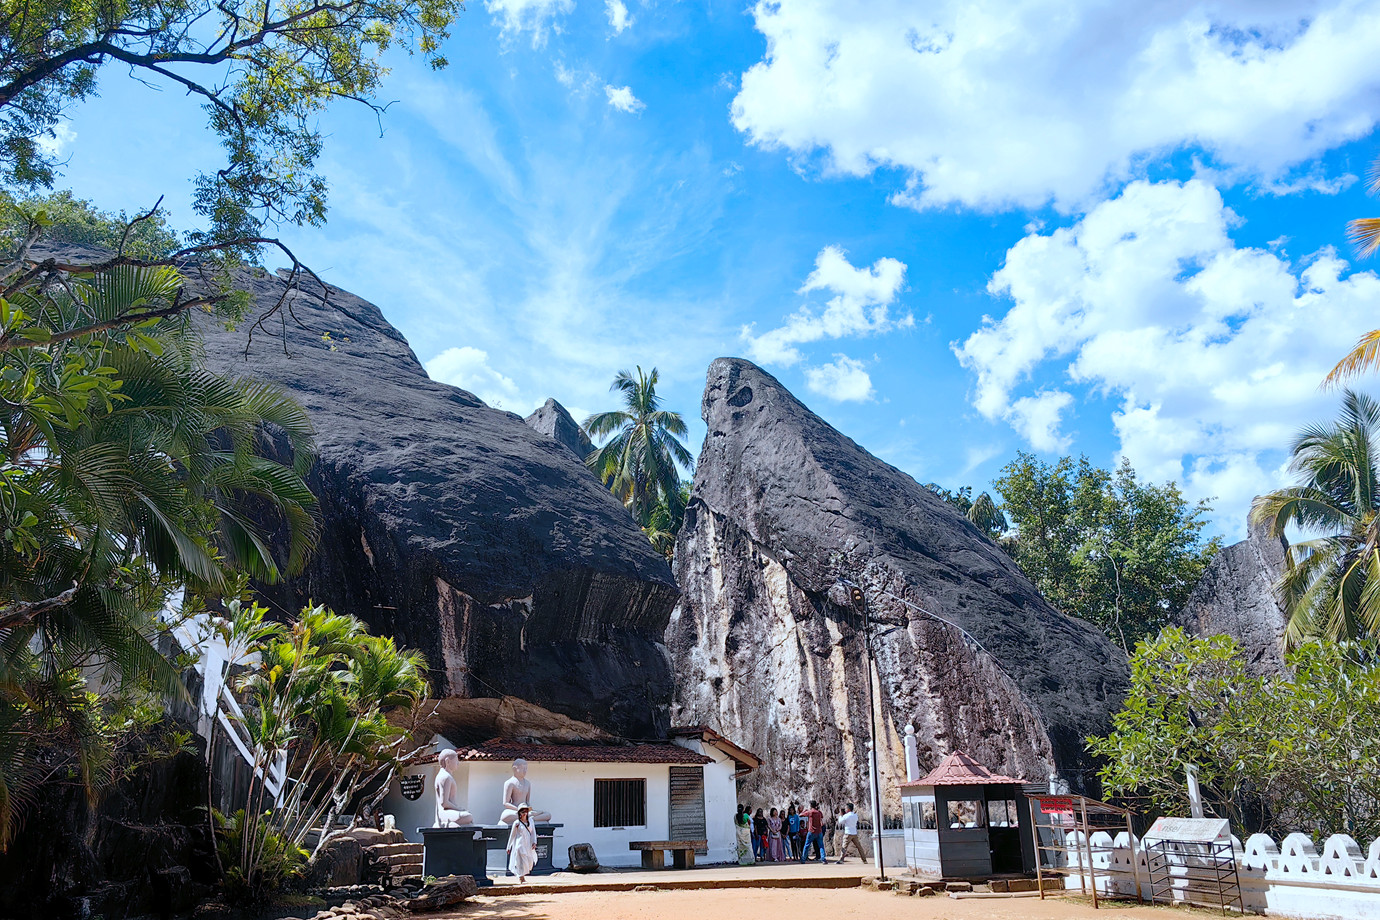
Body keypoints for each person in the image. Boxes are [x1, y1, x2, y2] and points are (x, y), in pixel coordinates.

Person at [500, 758, 552, 825]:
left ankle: (530, 818)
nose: (525, 771)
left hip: (526, 811)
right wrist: (519, 810)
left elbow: (527, 801)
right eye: (522, 768)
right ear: (515, 769)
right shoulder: (509, 783)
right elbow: (506, 803)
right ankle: (528, 818)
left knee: (548, 815)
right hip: (515, 810)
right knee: (505, 816)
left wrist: (529, 810)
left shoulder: (527, 783)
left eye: (526, 768)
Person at [433, 749, 474, 827]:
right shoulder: (445, 777)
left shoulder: (443, 776)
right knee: (468, 816)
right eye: (456, 760)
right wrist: (459, 809)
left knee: (468, 819)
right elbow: (444, 803)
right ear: (447, 761)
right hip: (444, 813)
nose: (458, 763)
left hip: (448, 812)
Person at [506, 804, 538, 882]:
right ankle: (521, 877)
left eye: (526, 811)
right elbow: (512, 835)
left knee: (529, 861)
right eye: (523, 811)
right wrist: (509, 846)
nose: (524, 813)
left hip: (528, 844)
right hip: (519, 844)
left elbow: (533, 832)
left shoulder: (531, 821)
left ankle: (522, 875)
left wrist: (534, 842)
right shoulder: (517, 823)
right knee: (520, 860)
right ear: (519, 813)